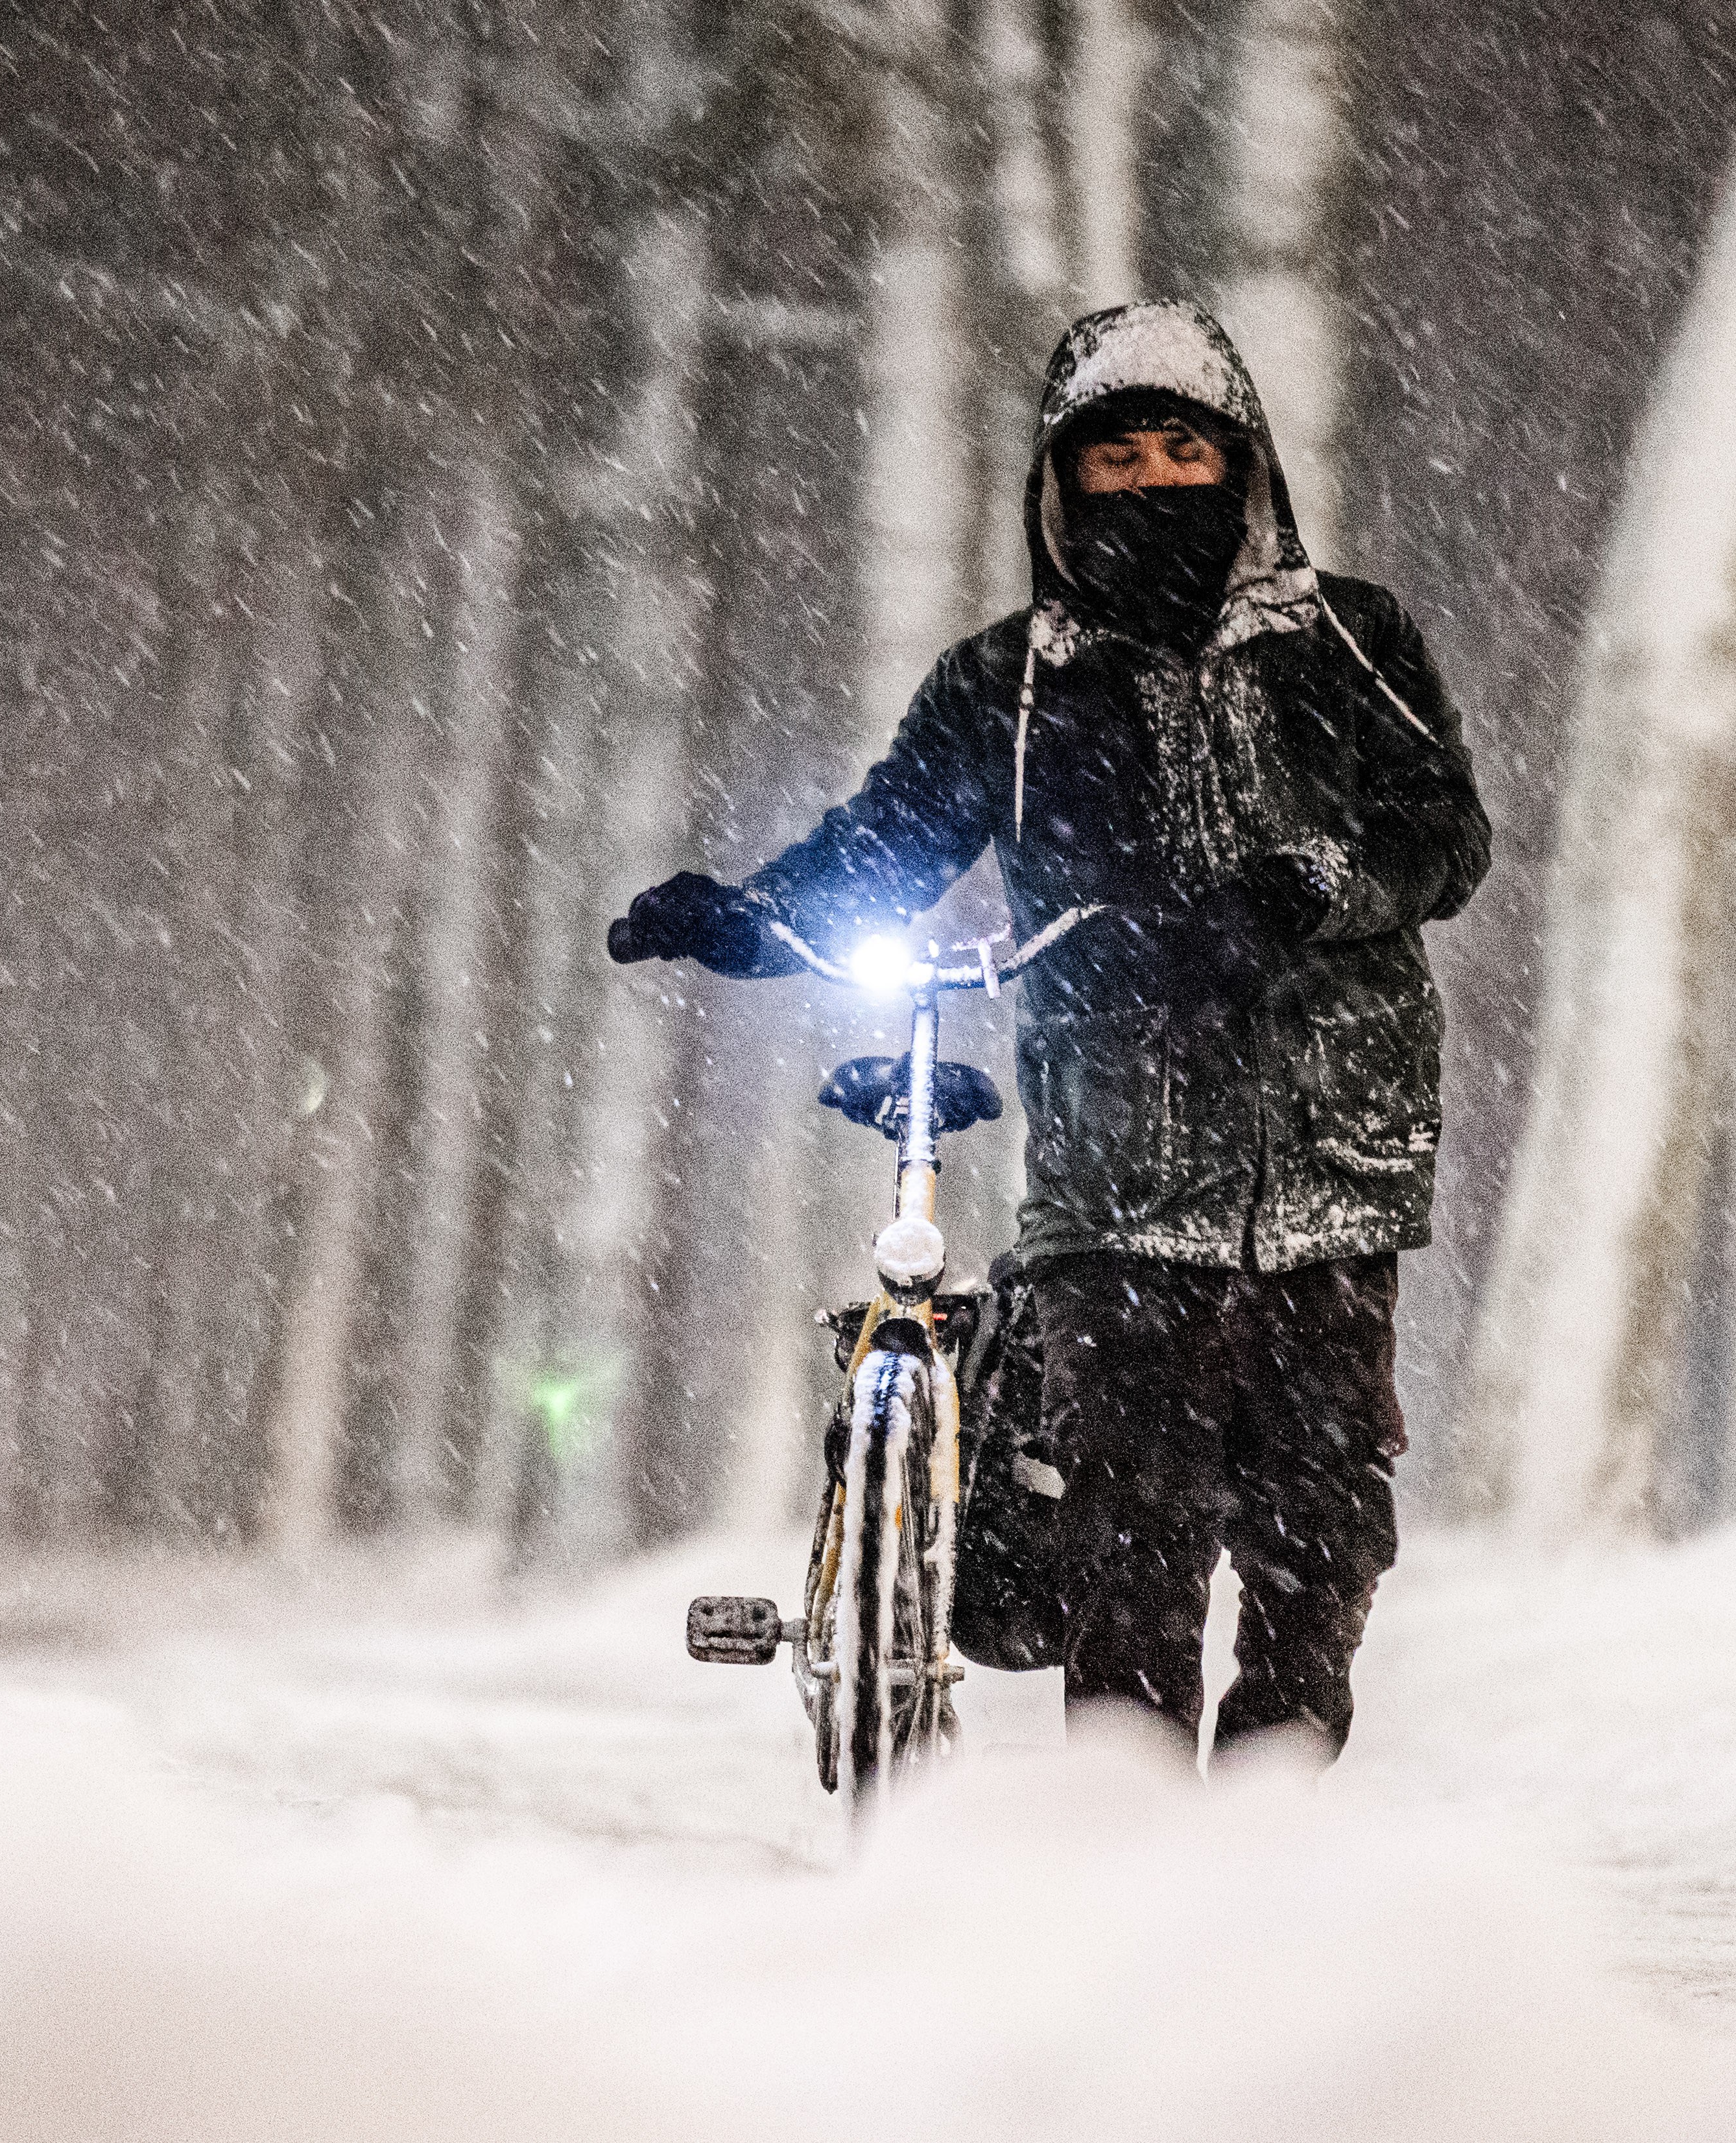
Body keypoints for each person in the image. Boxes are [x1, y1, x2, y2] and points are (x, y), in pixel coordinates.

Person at [612, 300, 1490, 1765]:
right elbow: (884, 847)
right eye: (1115, 459)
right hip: (1118, 1182)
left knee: (1317, 1557)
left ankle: (1270, 1861)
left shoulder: (1350, 638)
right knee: (1126, 1555)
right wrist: (750, 916)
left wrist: (1316, 886)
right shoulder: (1006, 688)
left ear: (1243, 460)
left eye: (1182, 448)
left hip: (1336, 1168)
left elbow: (1445, 835)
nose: (1153, 482)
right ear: (1061, 484)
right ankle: (1129, 1883)